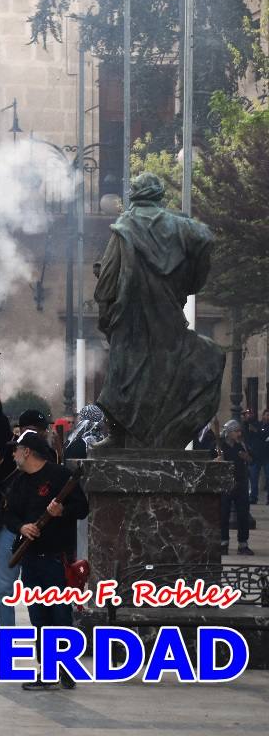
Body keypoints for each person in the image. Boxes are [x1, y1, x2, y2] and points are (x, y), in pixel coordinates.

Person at [94, 172, 225, 448]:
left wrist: (106, 315)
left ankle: (118, 437)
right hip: (167, 315)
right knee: (161, 371)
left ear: (134, 197)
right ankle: (146, 436)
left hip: (131, 319)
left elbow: (107, 278)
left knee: (121, 378)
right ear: (159, 196)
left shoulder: (125, 227)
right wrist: (191, 280)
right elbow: (206, 238)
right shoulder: (179, 226)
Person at [3, 429, 89, 691]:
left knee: (60, 616)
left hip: (56, 559)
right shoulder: (18, 481)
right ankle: (50, 669)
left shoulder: (60, 476)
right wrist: (22, 528)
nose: (14, 453)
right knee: (38, 618)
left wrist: (61, 510)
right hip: (31, 559)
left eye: (16, 449)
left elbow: (82, 508)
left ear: (27, 451)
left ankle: (63, 668)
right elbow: (10, 514)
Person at [0, 369, 49, 626]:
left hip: (40, 528)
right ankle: (7, 639)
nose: (38, 435)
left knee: (41, 592)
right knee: (3, 591)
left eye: (41, 430)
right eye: (32, 430)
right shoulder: (9, 445)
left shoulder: (50, 454)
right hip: (9, 526)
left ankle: (44, 645)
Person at [217, 420, 254, 556]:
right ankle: (223, 542)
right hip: (225, 485)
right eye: (236, 431)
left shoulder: (242, 445)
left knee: (243, 515)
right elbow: (210, 462)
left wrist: (247, 457)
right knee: (223, 515)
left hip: (241, 484)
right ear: (229, 432)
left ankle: (243, 544)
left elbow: (252, 459)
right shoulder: (219, 446)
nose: (239, 433)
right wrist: (217, 460)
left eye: (239, 431)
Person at [243, 409, 269, 505]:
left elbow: (264, 435)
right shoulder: (257, 424)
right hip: (255, 456)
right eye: (266, 415)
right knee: (253, 478)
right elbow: (248, 435)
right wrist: (246, 422)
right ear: (262, 416)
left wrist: (256, 431)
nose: (267, 417)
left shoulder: (260, 428)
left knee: (268, 477)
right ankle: (253, 497)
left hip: (267, 456)